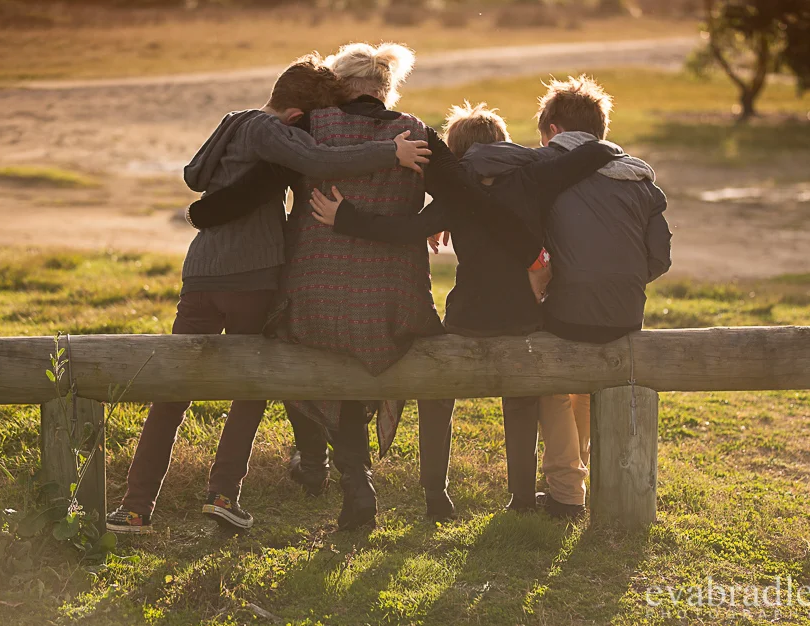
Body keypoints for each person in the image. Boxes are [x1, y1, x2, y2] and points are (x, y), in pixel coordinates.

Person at [104, 54, 431, 535]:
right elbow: (320, 160)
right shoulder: (275, 133)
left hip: (201, 274)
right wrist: (391, 154)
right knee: (251, 390)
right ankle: (222, 494)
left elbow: (195, 175)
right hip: (253, 275)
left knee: (173, 391)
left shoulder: (233, 122)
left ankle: (135, 508)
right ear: (298, 118)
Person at [265, 43, 558, 530]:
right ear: (387, 89)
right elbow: (468, 200)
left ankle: (339, 470)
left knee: (293, 345)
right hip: (393, 304)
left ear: (341, 86)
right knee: (366, 345)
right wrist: (531, 254)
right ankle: (349, 474)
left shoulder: (308, 129)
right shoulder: (417, 135)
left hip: (313, 294)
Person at [308, 100, 621, 514]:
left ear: (455, 155)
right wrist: (611, 149)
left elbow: (406, 230)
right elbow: (591, 154)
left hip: (469, 316)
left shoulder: (459, 188)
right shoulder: (534, 174)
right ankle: (522, 497)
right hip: (524, 317)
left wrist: (345, 216)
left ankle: (436, 494)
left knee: (437, 394)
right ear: (504, 142)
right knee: (522, 398)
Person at [464, 75, 671, 518]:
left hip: (565, 309)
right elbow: (661, 257)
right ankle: (575, 474)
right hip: (625, 313)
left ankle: (566, 493)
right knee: (587, 383)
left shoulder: (541, 171)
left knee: (552, 386)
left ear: (553, 132)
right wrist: (623, 281)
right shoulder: (640, 179)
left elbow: (480, 155)